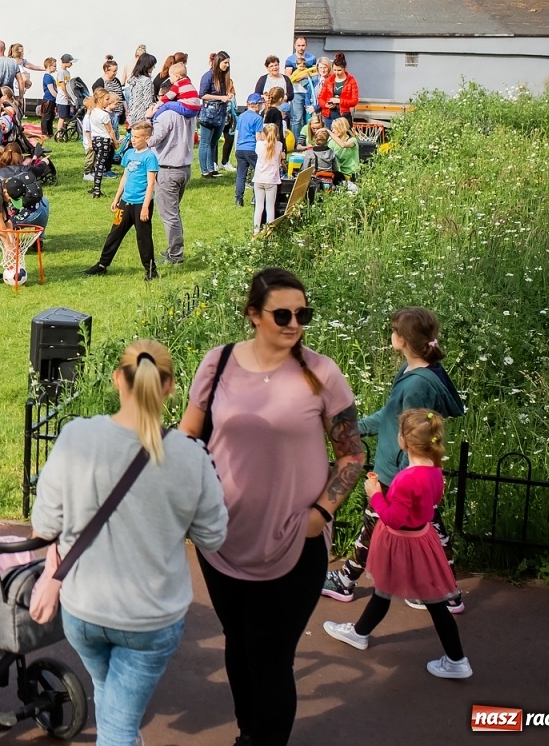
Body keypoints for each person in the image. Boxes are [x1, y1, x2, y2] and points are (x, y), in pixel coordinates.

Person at [178, 268, 365, 746]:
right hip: (220, 540)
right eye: (282, 314)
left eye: (303, 314)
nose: (294, 323)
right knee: (239, 647)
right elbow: (187, 439)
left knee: (269, 655)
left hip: (292, 543)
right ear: (253, 315)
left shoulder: (321, 373)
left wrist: (320, 516)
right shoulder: (217, 364)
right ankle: (249, 734)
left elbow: (352, 454)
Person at [28, 340, 227, 746]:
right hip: (150, 618)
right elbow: (213, 536)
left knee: (112, 702)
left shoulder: (75, 437)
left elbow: (45, 524)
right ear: (169, 386)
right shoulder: (190, 456)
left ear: (118, 379)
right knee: (117, 724)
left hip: (84, 609)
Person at [323, 308, 465, 609]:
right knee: (422, 526)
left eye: (393, 331)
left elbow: (414, 436)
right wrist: (354, 428)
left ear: (401, 339)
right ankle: (448, 590)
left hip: (400, 473)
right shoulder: (409, 373)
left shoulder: (417, 385)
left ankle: (348, 581)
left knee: (386, 522)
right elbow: (390, 416)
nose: (391, 335)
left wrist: (404, 478)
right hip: (401, 471)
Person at [321, 411, 472, 677]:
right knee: (426, 600)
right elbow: (433, 500)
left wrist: (375, 495)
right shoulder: (435, 471)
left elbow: (393, 517)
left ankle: (457, 660)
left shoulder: (405, 478)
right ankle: (454, 658)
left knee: (385, 592)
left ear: (403, 441)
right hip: (423, 540)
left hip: (400, 543)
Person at [84, 122, 159, 280]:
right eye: (133, 136)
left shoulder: (150, 157)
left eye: (138, 137)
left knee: (143, 237)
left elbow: (151, 183)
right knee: (114, 233)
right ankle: (102, 265)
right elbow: (125, 177)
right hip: (126, 202)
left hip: (141, 204)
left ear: (147, 138)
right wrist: (117, 197)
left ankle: (151, 270)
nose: (134, 140)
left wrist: (146, 206)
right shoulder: (129, 154)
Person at [149, 87, 195, 267]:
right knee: (174, 212)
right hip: (184, 168)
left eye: (161, 96)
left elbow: (152, 140)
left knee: (169, 215)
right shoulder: (189, 114)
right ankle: (173, 249)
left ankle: (176, 254)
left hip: (168, 169)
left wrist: (148, 118)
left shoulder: (166, 115)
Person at [198, 52, 234, 178]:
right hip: (209, 114)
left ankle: (212, 168)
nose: (227, 65)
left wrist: (228, 96)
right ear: (218, 62)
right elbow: (202, 95)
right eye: (225, 63)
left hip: (221, 113)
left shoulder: (223, 77)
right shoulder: (208, 76)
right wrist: (220, 98)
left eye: (228, 63)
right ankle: (204, 170)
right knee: (205, 143)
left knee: (214, 142)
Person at [232, 93, 264, 207]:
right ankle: (256, 198)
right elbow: (258, 137)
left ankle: (238, 199)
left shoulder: (241, 116)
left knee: (241, 175)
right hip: (251, 149)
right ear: (256, 105)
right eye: (261, 104)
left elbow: (238, 132)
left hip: (240, 149)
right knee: (259, 173)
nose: (261, 107)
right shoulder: (258, 118)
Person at [285, 36, 319, 140]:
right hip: (297, 92)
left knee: (309, 117)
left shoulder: (312, 58)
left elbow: (316, 73)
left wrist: (306, 75)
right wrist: (303, 75)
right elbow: (288, 77)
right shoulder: (290, 60)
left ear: (306, 46)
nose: (301, 48)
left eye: (303, 45)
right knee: (297, 118)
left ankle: (308, 140)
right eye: (299, 45)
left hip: (310, 92)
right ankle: (296, 141)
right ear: (295, 46)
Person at [252, 124, 284, 234]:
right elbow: (279, 162)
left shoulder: (259, 145)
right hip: (272, 180)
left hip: (259, 178)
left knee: (258, 206)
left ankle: (256, 231)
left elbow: (259, 140)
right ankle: (269, 230)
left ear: (264, 134)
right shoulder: (279, 145)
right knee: (270, 207)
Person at [318, 52, 360, 124]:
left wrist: (339, 101)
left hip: (343, 115)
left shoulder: (351, 81)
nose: (336, 73)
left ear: (344, 68)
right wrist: (325, 104)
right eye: (334, 70)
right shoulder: (329, 80)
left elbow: (354, 101)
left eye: (339, 70)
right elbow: (320, 98)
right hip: (328, 114)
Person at [124, 53, 157, 128]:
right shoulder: (146, 81)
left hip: (133, 114)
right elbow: (147, 102)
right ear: (147, 65)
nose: (154, 67)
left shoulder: (134, 79)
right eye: (153, 65)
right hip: (142, 115)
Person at [327, 117, 361, 191]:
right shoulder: (331, 141)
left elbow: (343, 145)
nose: (332, 131)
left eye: (334, 128)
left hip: (351, 174)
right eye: (331, 129)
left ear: (341, 128)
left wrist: (329, 133)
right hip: (339, 174)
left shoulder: (352, 140)